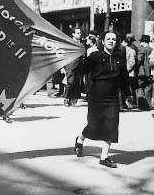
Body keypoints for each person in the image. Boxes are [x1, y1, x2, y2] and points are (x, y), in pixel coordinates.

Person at [74, 31, 132, 168]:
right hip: (96, 95)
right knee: (93, 125)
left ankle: (104, 157)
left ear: (117, 41)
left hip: (112, 97)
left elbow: (123, 78)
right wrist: (81, 57)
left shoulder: (119, 57)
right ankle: (80, 139)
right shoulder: (95, 56)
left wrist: (127, 94)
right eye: (108, 39)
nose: (111, 41)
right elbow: (82, 70)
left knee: (111, 126)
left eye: (113, 39)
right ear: (103, 41)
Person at [63, 27, 84, 106]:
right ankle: (66, 98)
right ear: (73, 34)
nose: (79, 35)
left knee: (77, 83)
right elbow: (64, 55)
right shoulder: (69, 43)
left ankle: (73, 99)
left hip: (80, 66)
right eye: (78, 33)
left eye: (80, 33)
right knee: (70, 82)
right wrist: (63, 67)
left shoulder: (82, 43)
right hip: (70, 65)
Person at [136, 34, 153, 110]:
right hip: (150, 71)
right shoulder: (151, 49)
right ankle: (148, 104)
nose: (140, 43)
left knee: (140, 88)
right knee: (148, 88)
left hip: (142, 72)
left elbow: (139, 60)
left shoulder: (142, 50)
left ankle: (142, 105)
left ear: (144, 42)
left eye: (141, 42)